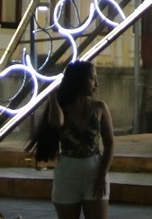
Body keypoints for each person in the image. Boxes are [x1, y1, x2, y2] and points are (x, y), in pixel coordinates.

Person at [27, 59, 114, 219]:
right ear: (79, 80)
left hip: (94, 170)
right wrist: (53, 97)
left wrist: (102, 175)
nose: (97, 83)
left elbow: (109, 145)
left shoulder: (99, 108)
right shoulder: (62, 107)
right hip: (67, 172)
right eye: (93, 78)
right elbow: (56, 123)